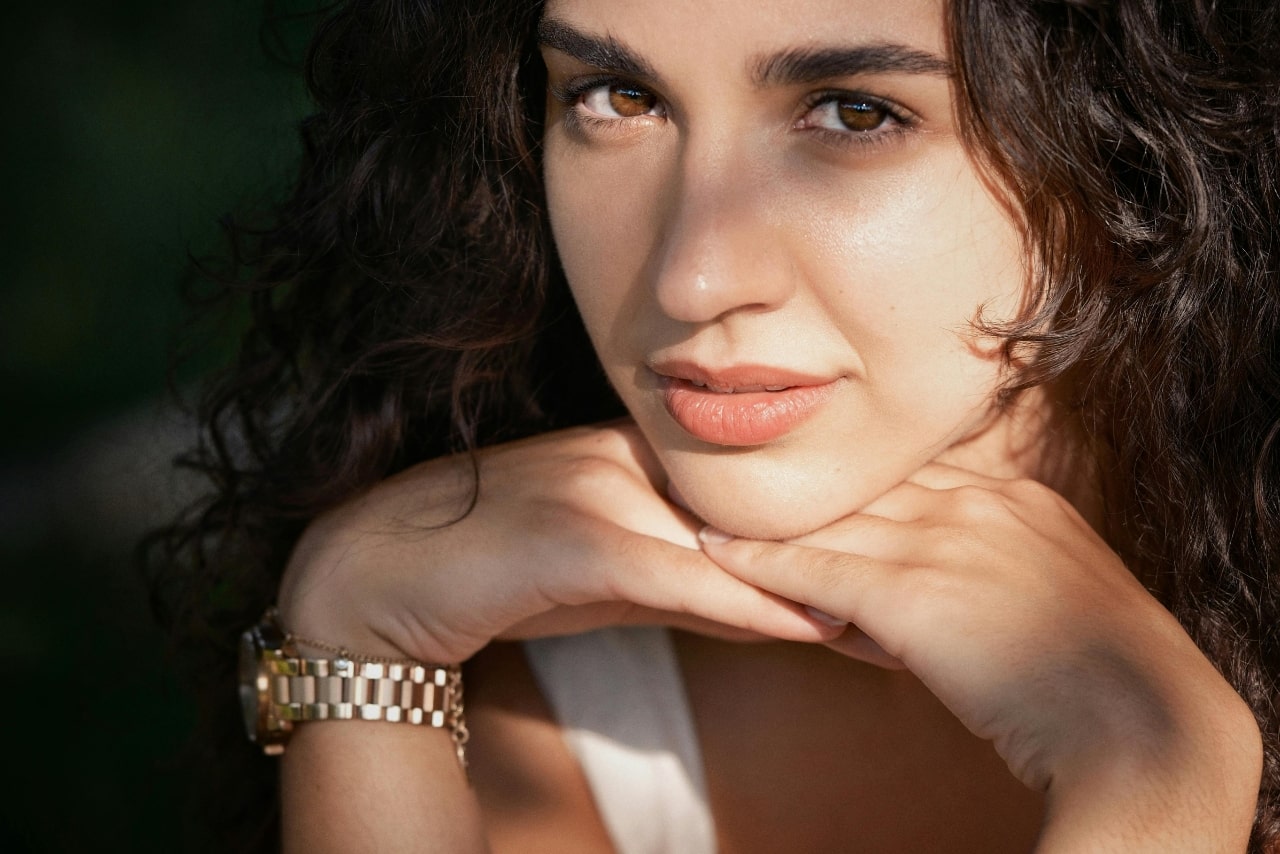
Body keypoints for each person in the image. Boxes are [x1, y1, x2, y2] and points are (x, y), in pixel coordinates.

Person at [149, 0, 1280, 850]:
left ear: (1136, 149)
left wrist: (1155, 773)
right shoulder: (545, 686)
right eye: (615, 98)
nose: (691, 277)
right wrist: (357, 646)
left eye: (855, 111)